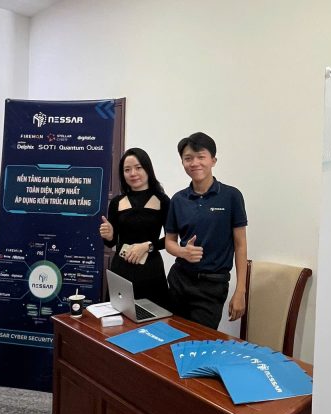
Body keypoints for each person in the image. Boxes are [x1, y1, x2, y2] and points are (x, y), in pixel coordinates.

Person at [165, 132, 247, 329]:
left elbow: (240, 245)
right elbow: (169, 241)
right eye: (188, 158)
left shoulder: (231, 196)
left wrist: (240, 291)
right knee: (172, 338)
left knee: (201, 342)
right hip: (179, 281)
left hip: (212, 286)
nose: (194, 163)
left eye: (201, 156)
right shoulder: (178, 200)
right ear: (183, 163)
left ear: (213, 160)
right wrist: (183, 252)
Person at [99, 148, 171, 306]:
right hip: (122, 269)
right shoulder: (116, 202)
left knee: (154, 316)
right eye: (127, 170)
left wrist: (147, 246)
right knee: (118, 315)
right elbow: (111, 243)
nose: (133, 173)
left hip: (151, 270)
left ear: (147, 169)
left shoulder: (163, 200)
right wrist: (109, 236)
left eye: (138, 168)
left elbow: (171, 239)